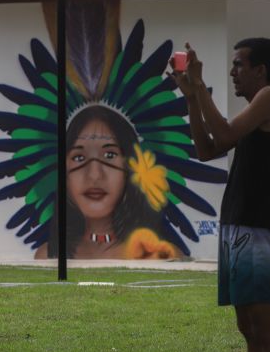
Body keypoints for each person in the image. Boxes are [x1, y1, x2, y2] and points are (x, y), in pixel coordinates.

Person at [171, 38, 270, 352]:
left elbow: (221, 133)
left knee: (263, 320)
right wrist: (191, 97)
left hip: (255, 229)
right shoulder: (252, 112)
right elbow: (208, 149)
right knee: (247, 325)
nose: (233, 72)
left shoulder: (269, 97)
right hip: (235, 228)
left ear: (260, 70)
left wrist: (200, 88)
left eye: (239, 64)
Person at [35, 105, 179, 260]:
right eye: (79, 158)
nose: (94, 175)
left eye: (110, 155)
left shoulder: (160, 255)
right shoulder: (48, 256)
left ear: (131, 169)